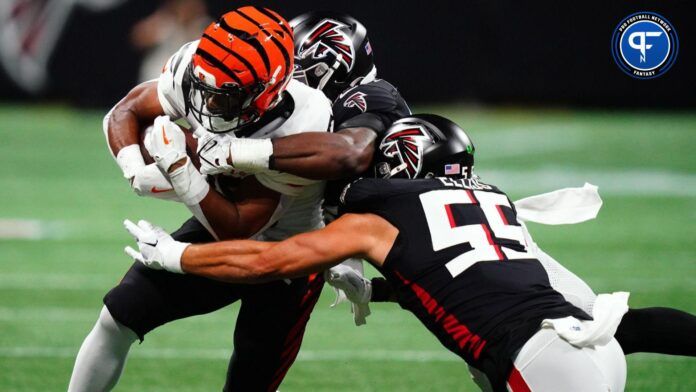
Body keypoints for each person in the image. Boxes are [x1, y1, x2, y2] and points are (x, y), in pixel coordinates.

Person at [123, 114, 629, 391]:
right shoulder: (492, 199)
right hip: (595, 343)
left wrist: (172, 256)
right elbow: (461, 274)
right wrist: (382, 289)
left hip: (540, 362)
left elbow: (267, 261)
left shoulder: (373, 222)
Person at [69, 6, 334, 391]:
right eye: (203, 89)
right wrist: (133, 168)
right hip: (215, 215)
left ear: (266, 92)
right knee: (119, 315)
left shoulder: (301, 125)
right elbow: (125, 110)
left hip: (286, 258)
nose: (207, 104)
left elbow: (240, 229)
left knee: (250, 378)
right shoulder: (195, 67)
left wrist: (179, 167)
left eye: (223, 97)